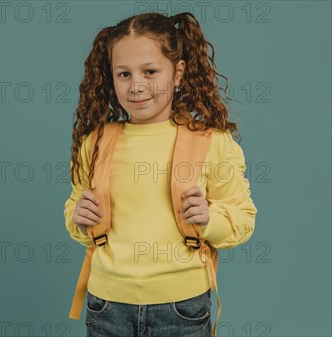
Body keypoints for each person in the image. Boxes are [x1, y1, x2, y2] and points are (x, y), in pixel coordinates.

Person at [64, 12, 258, 337]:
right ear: (110, 77)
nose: (136, 86)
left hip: (181, 307)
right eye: (123, 74)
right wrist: (80, 219)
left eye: (150, 71)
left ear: (178, 73)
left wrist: (209, 220)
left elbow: (243, 218)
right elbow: (76, 212)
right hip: (106, 306)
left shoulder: (211, 143)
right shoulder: (96, 143)